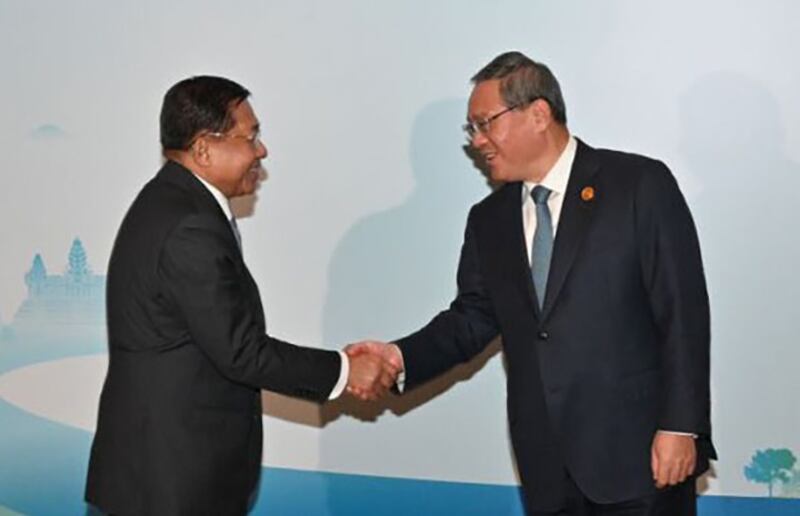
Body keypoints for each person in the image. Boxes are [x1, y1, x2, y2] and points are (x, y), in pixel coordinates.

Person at [348, 51, 715, 515]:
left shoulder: (638, 184)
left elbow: (682, 312)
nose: (477, 141)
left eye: (485, 123)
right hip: (547, 469)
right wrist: (399, 356)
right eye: (471, 129)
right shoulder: (489, 219)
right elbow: (472, 319)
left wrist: (681, 426)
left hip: (639, 458)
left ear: (538, 114)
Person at [85, 76, 396, 515]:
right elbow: (241, 352)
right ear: (204, 148)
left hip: (159, 477)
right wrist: (345, 371)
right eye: (250, 136)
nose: (261, 150)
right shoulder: (188, 225)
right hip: (168, 485)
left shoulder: (173, 203)